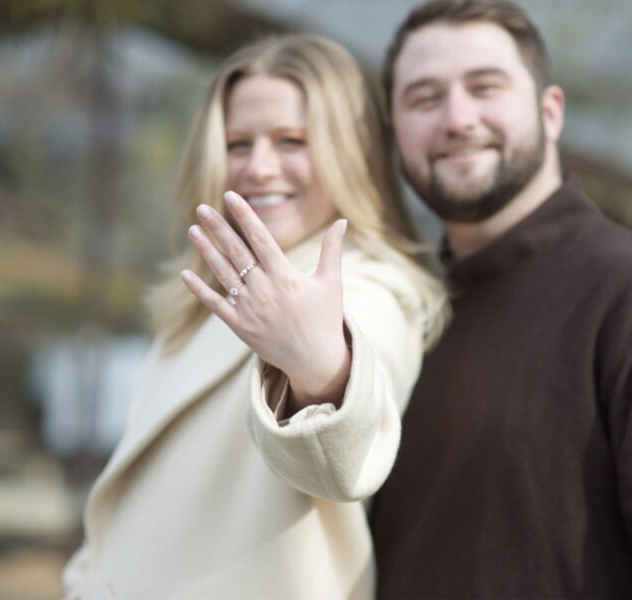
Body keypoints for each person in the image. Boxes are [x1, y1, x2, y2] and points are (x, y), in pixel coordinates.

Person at [368, 1, 632, 598]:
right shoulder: (397, 319)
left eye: (485, 87)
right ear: (396, 133)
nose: (456, 118)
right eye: (424, 99)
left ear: (550, 112)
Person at [62, 32, 447, 600]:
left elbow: (342, 460)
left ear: (350, 154)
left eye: (292, 140)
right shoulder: (203, 301)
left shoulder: (367, 288)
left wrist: (322, 373)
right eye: (239, 143)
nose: (259, 167)